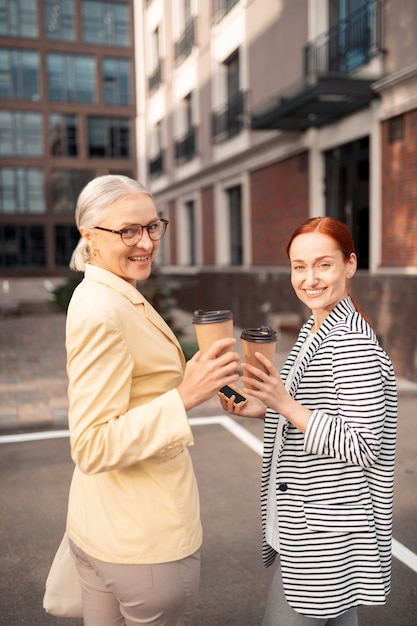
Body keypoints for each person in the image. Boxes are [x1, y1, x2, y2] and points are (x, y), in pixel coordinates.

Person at [65, 174, 241, 626]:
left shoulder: (111, 291)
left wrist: (202, 379)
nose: (145, 241)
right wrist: (184, 396)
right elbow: (92, 444)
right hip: (143, 541)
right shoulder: (103, 310)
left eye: (152, 227)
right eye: (128, 230)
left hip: (101, 531)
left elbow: (135, 386)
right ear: (89, 235)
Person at [220, 217, 397, 625]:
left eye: (323, 264)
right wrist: (263, 406)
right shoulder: (317, 325)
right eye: (299, 266)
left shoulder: (350, 343)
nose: (309, 278)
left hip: (323, 532)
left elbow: (363, 445)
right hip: (320, 521)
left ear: (350, 265)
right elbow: (319, 408)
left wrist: (284, 404)